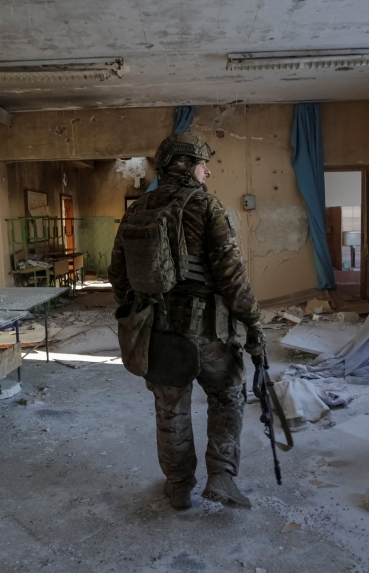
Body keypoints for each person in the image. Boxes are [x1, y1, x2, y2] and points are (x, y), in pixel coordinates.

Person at [109, 133, 265, 510]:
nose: (207, 171)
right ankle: (222, 477)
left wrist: (141, 313)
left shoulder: (137, 209)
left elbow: (118, 274)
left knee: (170, 408)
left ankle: (179, 486)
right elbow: (233, 278)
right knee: (227, 395)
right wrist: (254, 324)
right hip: (209, 332)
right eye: (203, 164)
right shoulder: (207, 207)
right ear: (186, 164)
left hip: (160, 333)